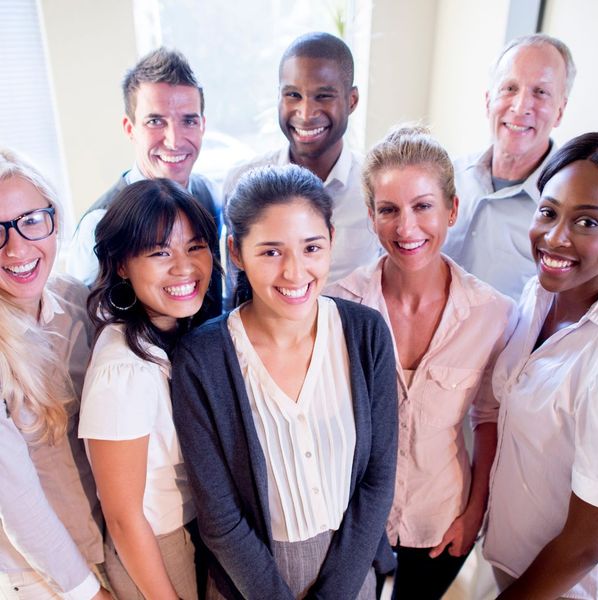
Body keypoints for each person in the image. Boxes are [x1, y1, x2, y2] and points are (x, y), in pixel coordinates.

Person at [172, 165, 397, 599]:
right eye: (272, 252)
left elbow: (378, 478)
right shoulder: (203, 360)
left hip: (349, 574)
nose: (295, 273)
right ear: (236, 252)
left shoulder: (366, 335)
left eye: (311, 247)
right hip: (250, 582)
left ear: (331, 238)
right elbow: (220, 518)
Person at [327, 126, 516, 599]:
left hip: (441, 521)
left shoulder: (492, 313)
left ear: (451, 210)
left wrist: (474, 514)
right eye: (388, 210)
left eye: (423, 206)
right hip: (349, 520)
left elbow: (489, 419)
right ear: (370, 216)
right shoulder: (339, 305)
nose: (406, 228)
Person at [78, 178, 219, 600]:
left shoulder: (173, 335)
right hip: (154, 547)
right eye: (159, 252)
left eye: (194, 247)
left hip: (188, 531)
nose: (183, 267)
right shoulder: (123, 370)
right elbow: (123, 517)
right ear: (121, 264)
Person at [484, 132, 598, 599]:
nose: (554, 237)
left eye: (588, 223)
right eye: (548, 212)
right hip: (510, 560)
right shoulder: (539, 293)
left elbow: (587, 541)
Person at [0, 149, 107, 598]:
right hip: (45, 579)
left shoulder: (75, 302)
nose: (18, 247)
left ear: (54, 220)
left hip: (103, 546)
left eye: (31, 220)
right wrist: (87, 591)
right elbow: (15, 498)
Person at [66, 47, 222, 314]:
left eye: (188, 121)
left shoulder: (211, 195)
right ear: (130, 128)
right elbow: (84, 327)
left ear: (203, 125)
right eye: (155, 121)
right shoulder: (99, 223)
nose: (174, 140)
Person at [222, 32, 380, 293]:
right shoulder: (242, 181)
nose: (306, 114)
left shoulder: (376, 188)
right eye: (293, 95)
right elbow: (236, 288)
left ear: (351, 101)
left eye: (323, 96)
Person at [443, 33, 576, 300]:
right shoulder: (446, 177)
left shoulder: (573, 209)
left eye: (540, 92)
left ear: (560, 111)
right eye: (510, 88)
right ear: (488, 100)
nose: (521, 106)